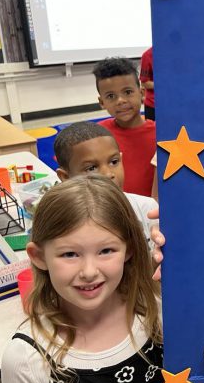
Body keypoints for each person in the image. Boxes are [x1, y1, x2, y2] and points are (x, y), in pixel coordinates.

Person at [1, 175, 163, 383]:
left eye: (106, 250)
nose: (89, 272)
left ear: (128, 250)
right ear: (38, 256)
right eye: (70, 254)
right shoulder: (26, 359)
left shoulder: (152, 314)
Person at [53, 121, 158, 250]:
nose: (108, 174)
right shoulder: (61, 221)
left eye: (114, 162)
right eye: (91, 168)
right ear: (65, 177)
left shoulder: (147, 208)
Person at [95, 57, 156, 197]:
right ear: (102, 102)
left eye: (128, 92)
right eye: (111, 96)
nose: (120, 101)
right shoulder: (97, 135)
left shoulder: (161, 133)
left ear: (142, 93)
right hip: (113, 208)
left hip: (151, 212)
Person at [140, 47, 155, 121]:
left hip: (175, 103)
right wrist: (164, 86)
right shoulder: (147, 55)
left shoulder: (175, 53)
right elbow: (144, 82)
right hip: (153, 104)